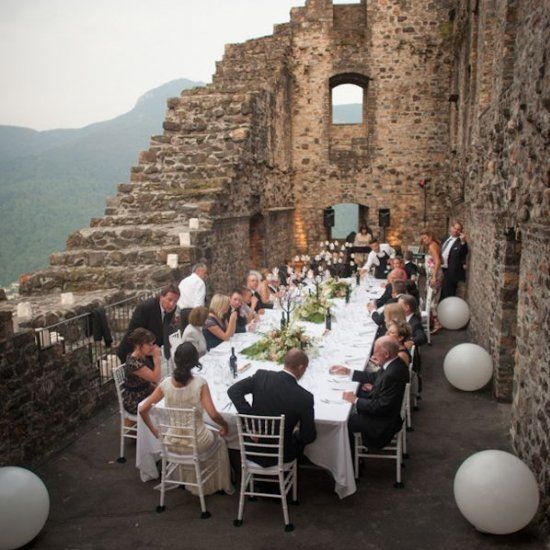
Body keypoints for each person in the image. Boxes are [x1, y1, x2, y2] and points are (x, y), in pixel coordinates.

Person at [139, 343, 233, 495]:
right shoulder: (200, 383)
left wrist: (155, 431)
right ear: (195, 361)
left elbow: (143, 409)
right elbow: (214, 414)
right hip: (196, 441)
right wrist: (225, 426)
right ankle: (214, 485)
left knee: (209, 436)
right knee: (221, 440)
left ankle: (190, 479)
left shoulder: (165, 384)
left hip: (171, 441)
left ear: (176, 361)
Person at [227, 349, 317, 467]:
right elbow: (308, 437)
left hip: (252, 448)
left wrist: (251, 421)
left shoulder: (262, 376)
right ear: (301, 368)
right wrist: (295, 432)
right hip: (283, 454)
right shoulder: (305, 397)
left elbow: (233, 391)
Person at [330, 337, 409, 450]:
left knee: (346, 421)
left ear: (386, 354)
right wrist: (348, 372)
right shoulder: (394, 363)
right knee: (356, 398)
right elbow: (374, 376)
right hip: (387, 412)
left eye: (375, 351)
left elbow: (381, 406)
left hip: (383, 423)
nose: (373, 355)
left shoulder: (392, 374)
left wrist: (355, 400)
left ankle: (351, 460)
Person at [117, 285, 180, 362]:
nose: (172, 304)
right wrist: (149, 348)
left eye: (175, 301)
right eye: (169, 300)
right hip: (133, 352)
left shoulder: (172, 308)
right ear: (161, 297)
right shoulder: (145, 308)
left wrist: (166, 348)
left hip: (151, 352)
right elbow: (133, 332)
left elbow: (164, 328)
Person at [121, 328, 162, 415]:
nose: (152, 347)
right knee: (164, 405)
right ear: (139, 345)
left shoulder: (142, 356)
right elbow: (155, 378)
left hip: (145, 391)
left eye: (152, 344)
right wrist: (157, 359)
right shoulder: (133, 363)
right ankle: (154, 427)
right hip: (135, 400)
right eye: (149, 345)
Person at [420, 230, 443, 334]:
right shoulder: (433, 245)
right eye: (422, 238)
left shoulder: (432, 246)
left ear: (430, 236)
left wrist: (434, 276)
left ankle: (437, 323)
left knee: (432, 301)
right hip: (432, 275)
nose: (423, 240)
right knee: (430, 299)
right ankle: (432, 322)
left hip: (435, 275)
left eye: (425, 238)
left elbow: (438, 261)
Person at [440, 222, 469, 300]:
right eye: (455, 228)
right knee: (442, 291)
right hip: (442, 268)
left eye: (458, 230)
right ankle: (440, 308)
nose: (456, 231)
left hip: (451, 271)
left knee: (449, 293)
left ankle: (447, 309)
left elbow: (464, 253)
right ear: (451, 228)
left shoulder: (460, 242)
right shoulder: (446, 238)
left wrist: (463, 242)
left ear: (460, 232)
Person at [177, 263, 208, 331]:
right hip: (194, 313)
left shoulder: (183, 281)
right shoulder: (200, 282)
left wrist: (177, 313)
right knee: (195, 336)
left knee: (186, 336)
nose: (205, 275)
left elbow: (178, 298)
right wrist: (199, 316)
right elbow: (199, 300)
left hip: (183, 313)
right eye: (205, 272)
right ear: (199, 270)